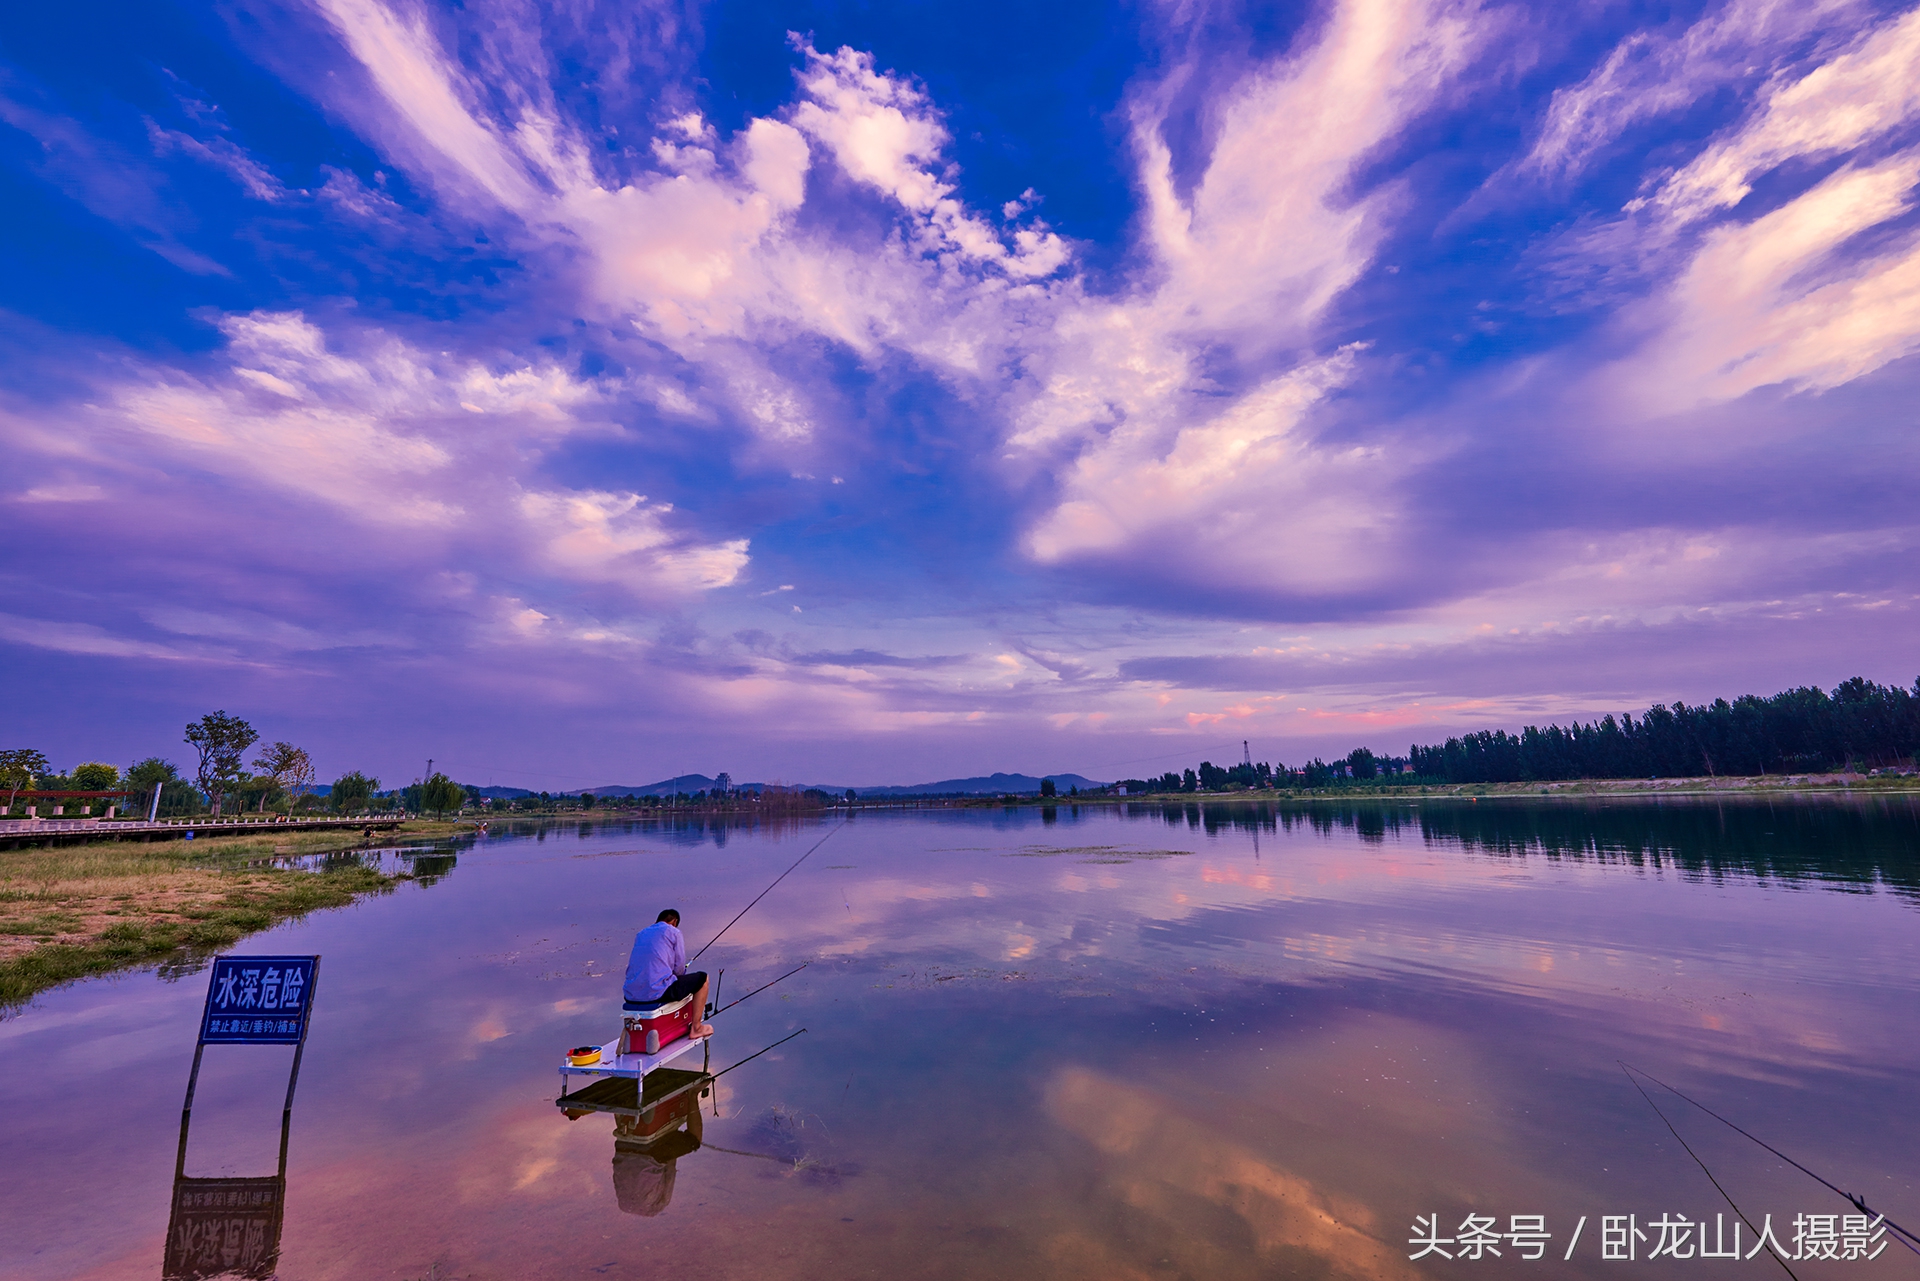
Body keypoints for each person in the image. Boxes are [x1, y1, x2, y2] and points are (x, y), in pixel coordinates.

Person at [623, 909, 713, 1039]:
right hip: (656, 993)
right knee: (702, 979)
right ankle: (696, 1027)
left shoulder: (641, 934)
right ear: (674, 922)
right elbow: (679, 969)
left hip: (630, 995)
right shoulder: (674, 932)